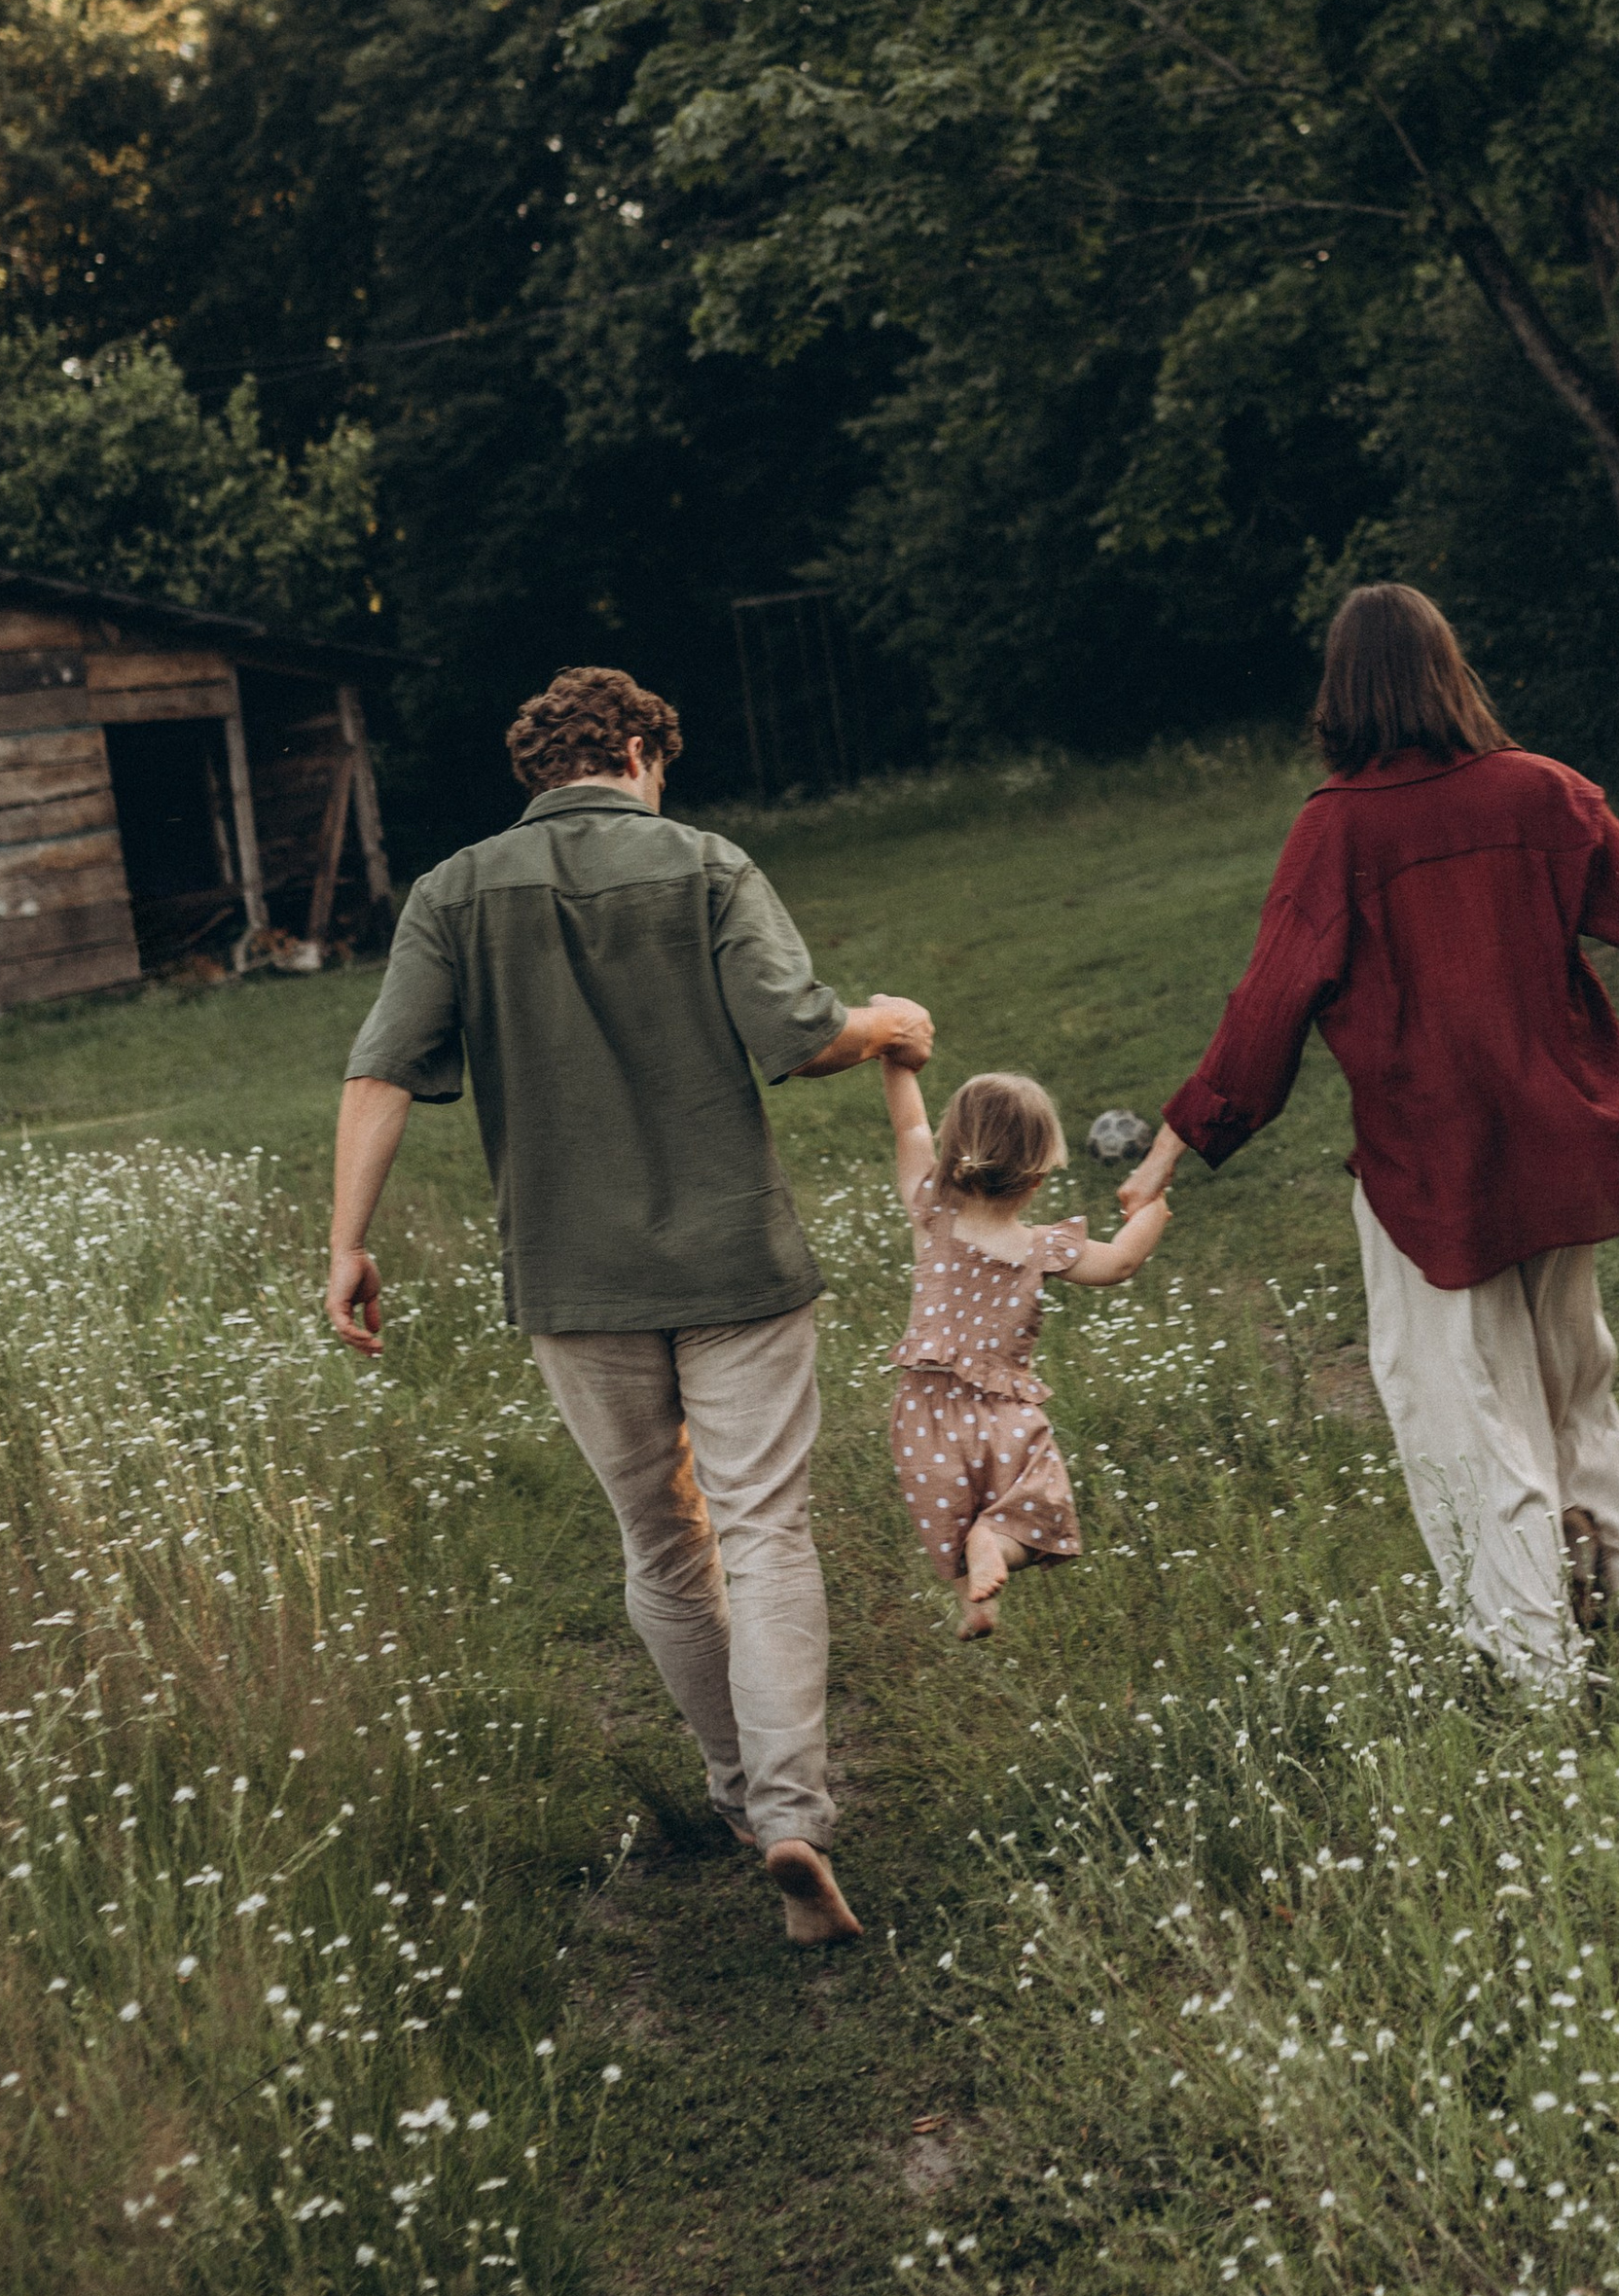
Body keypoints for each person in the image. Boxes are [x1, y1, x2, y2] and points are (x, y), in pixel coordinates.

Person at [1115, 583, 1619, 1684]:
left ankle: (1535, 1661)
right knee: (1569, 1375)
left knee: (1466, 1409)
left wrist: (1169, 1148)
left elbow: (1267, 1004)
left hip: (1433, 1166)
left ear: (1342, 693)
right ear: (1447, 670)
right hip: (1561, 1142)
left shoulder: (1336, 829)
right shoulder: (1542, 793)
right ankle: (1613, 1594)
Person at [326, 663, 938, 1947]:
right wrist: (886, 1023)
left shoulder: (451, 892)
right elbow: (795, 1031)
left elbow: (381, 1070)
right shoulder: (705, 865)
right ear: (643, 753)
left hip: (572, 1279)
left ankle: (735, 1797)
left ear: (540, 770)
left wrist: (348, 1243)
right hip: (734, 1263)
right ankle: (792, 1812)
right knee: (764, 1528)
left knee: (662, 1544)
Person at [879, 1060, 1169, 1636]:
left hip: (924, 1414)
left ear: (952, 1154)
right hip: (1003, 1417)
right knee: (1037, 1505)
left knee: (945, 1514)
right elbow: (1121, 1262)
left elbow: (909, 1129)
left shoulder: (930, 1212)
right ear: (1038, 1177)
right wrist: (1153, 1207)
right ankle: (997, 1545)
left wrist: (896, 1062)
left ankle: (974, 1600)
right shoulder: (1041, 1248)